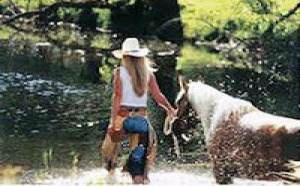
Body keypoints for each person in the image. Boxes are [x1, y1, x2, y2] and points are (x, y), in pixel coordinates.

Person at [101, 37, 175, 184]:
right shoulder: (148, 73)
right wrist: (169, 109)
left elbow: (117, 97)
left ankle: (111, 173)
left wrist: (113, 121)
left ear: (125, 56)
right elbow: (158, 96)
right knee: (142, 157)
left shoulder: (119, 72)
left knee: (109, 149)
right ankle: (141, 176)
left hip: (122, 118)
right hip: (140, 120)